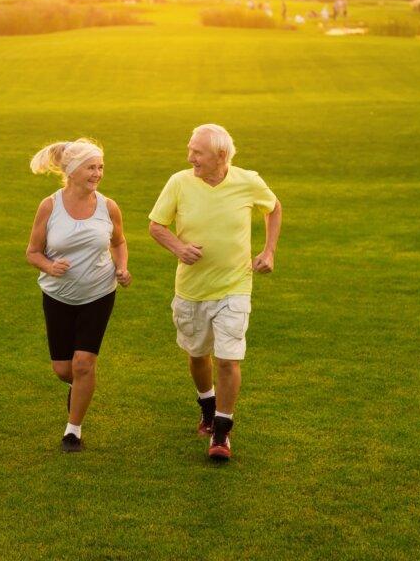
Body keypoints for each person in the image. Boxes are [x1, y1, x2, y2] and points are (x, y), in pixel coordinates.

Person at [148, 124, 281, 461]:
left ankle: (221, 431)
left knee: (227, 359)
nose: (189, 157)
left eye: (197, 152)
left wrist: (269, 251)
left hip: (235, 286)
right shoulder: (179, 182)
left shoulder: (248, 181)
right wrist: (179, 248)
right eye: (190, 149)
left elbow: (273, 207)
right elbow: (156, 226)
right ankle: (207, 404)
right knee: (197, 355)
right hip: (191, 290)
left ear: (221, 155)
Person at [26, 139, 131, 452]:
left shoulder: (108, 207)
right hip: (57, 295)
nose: (97, 173)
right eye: (91, 168)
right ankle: (80, 385)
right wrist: (49, 266)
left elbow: (119, 242)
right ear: (71, 171)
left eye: (100, 167)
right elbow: (32, 252)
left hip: (98, 293)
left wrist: (122, 267)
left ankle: (73, 431)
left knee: (84, 364)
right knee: (64, 369)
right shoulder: (50, 206)